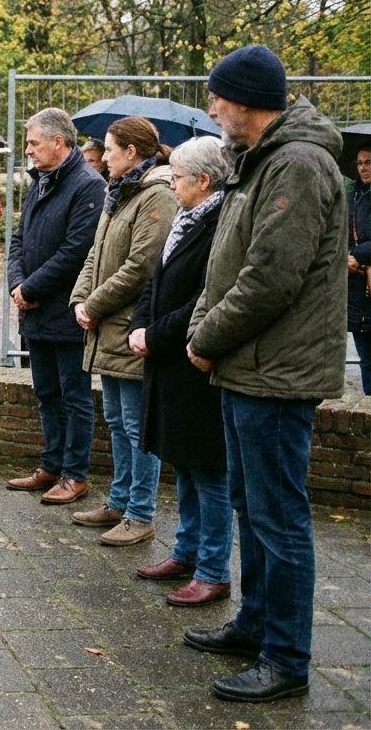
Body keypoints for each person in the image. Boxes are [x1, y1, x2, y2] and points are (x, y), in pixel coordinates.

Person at [183, 45, 347, 703]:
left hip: (275, 374)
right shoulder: (262, 162)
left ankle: (286, 658)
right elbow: (228, 262)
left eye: (217, 97)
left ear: (245, 101)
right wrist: (206, 332)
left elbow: (270, 278)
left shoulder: (298, 166)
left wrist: (205, 337)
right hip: (246, 367)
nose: (211, 108)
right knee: (251, 509)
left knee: (278, 519)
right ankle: (255, 623)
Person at [127, 135, 234, 607]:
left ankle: (213, 569)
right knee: (184, 463)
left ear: (204, 180)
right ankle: (186, 552)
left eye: (177, 177)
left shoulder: (221, 224)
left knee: (209, 470)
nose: (171, 183)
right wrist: (138, 325)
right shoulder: (185, 218)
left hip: (195, 360)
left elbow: (204, 298)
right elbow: (157, 278)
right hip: (169, 360)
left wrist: (156, 334)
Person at [68, 116, 177, 546]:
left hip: (128, 326)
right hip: (105, 326)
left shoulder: (156, 198)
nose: (103, 156)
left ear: (131, 152)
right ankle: (118, 501)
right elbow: (97, 253)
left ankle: (140, 512)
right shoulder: (119, 194)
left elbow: (141, 267)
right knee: (115, 419)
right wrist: (80, 300)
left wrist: (94, 305)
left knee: (136, 425)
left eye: (110, 149)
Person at [4, 108, 105, 504]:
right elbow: (18, 237)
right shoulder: (40, 181)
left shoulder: (87, 185)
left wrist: (32, 287)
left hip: (65, 310)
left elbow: (75, 251)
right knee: (46, 392)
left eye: (33, 143)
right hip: (34, 309)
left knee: (74, 395)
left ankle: (75, 474)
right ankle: (51, 464)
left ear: (58, 143)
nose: (27, 150)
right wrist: (17, 282)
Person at [347, 145, 371, 393]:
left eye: (369, 162)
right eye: (360, 162)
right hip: (358, 288)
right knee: (366, 358)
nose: (363, 167)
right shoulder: (352, 196)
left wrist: (354, 254)